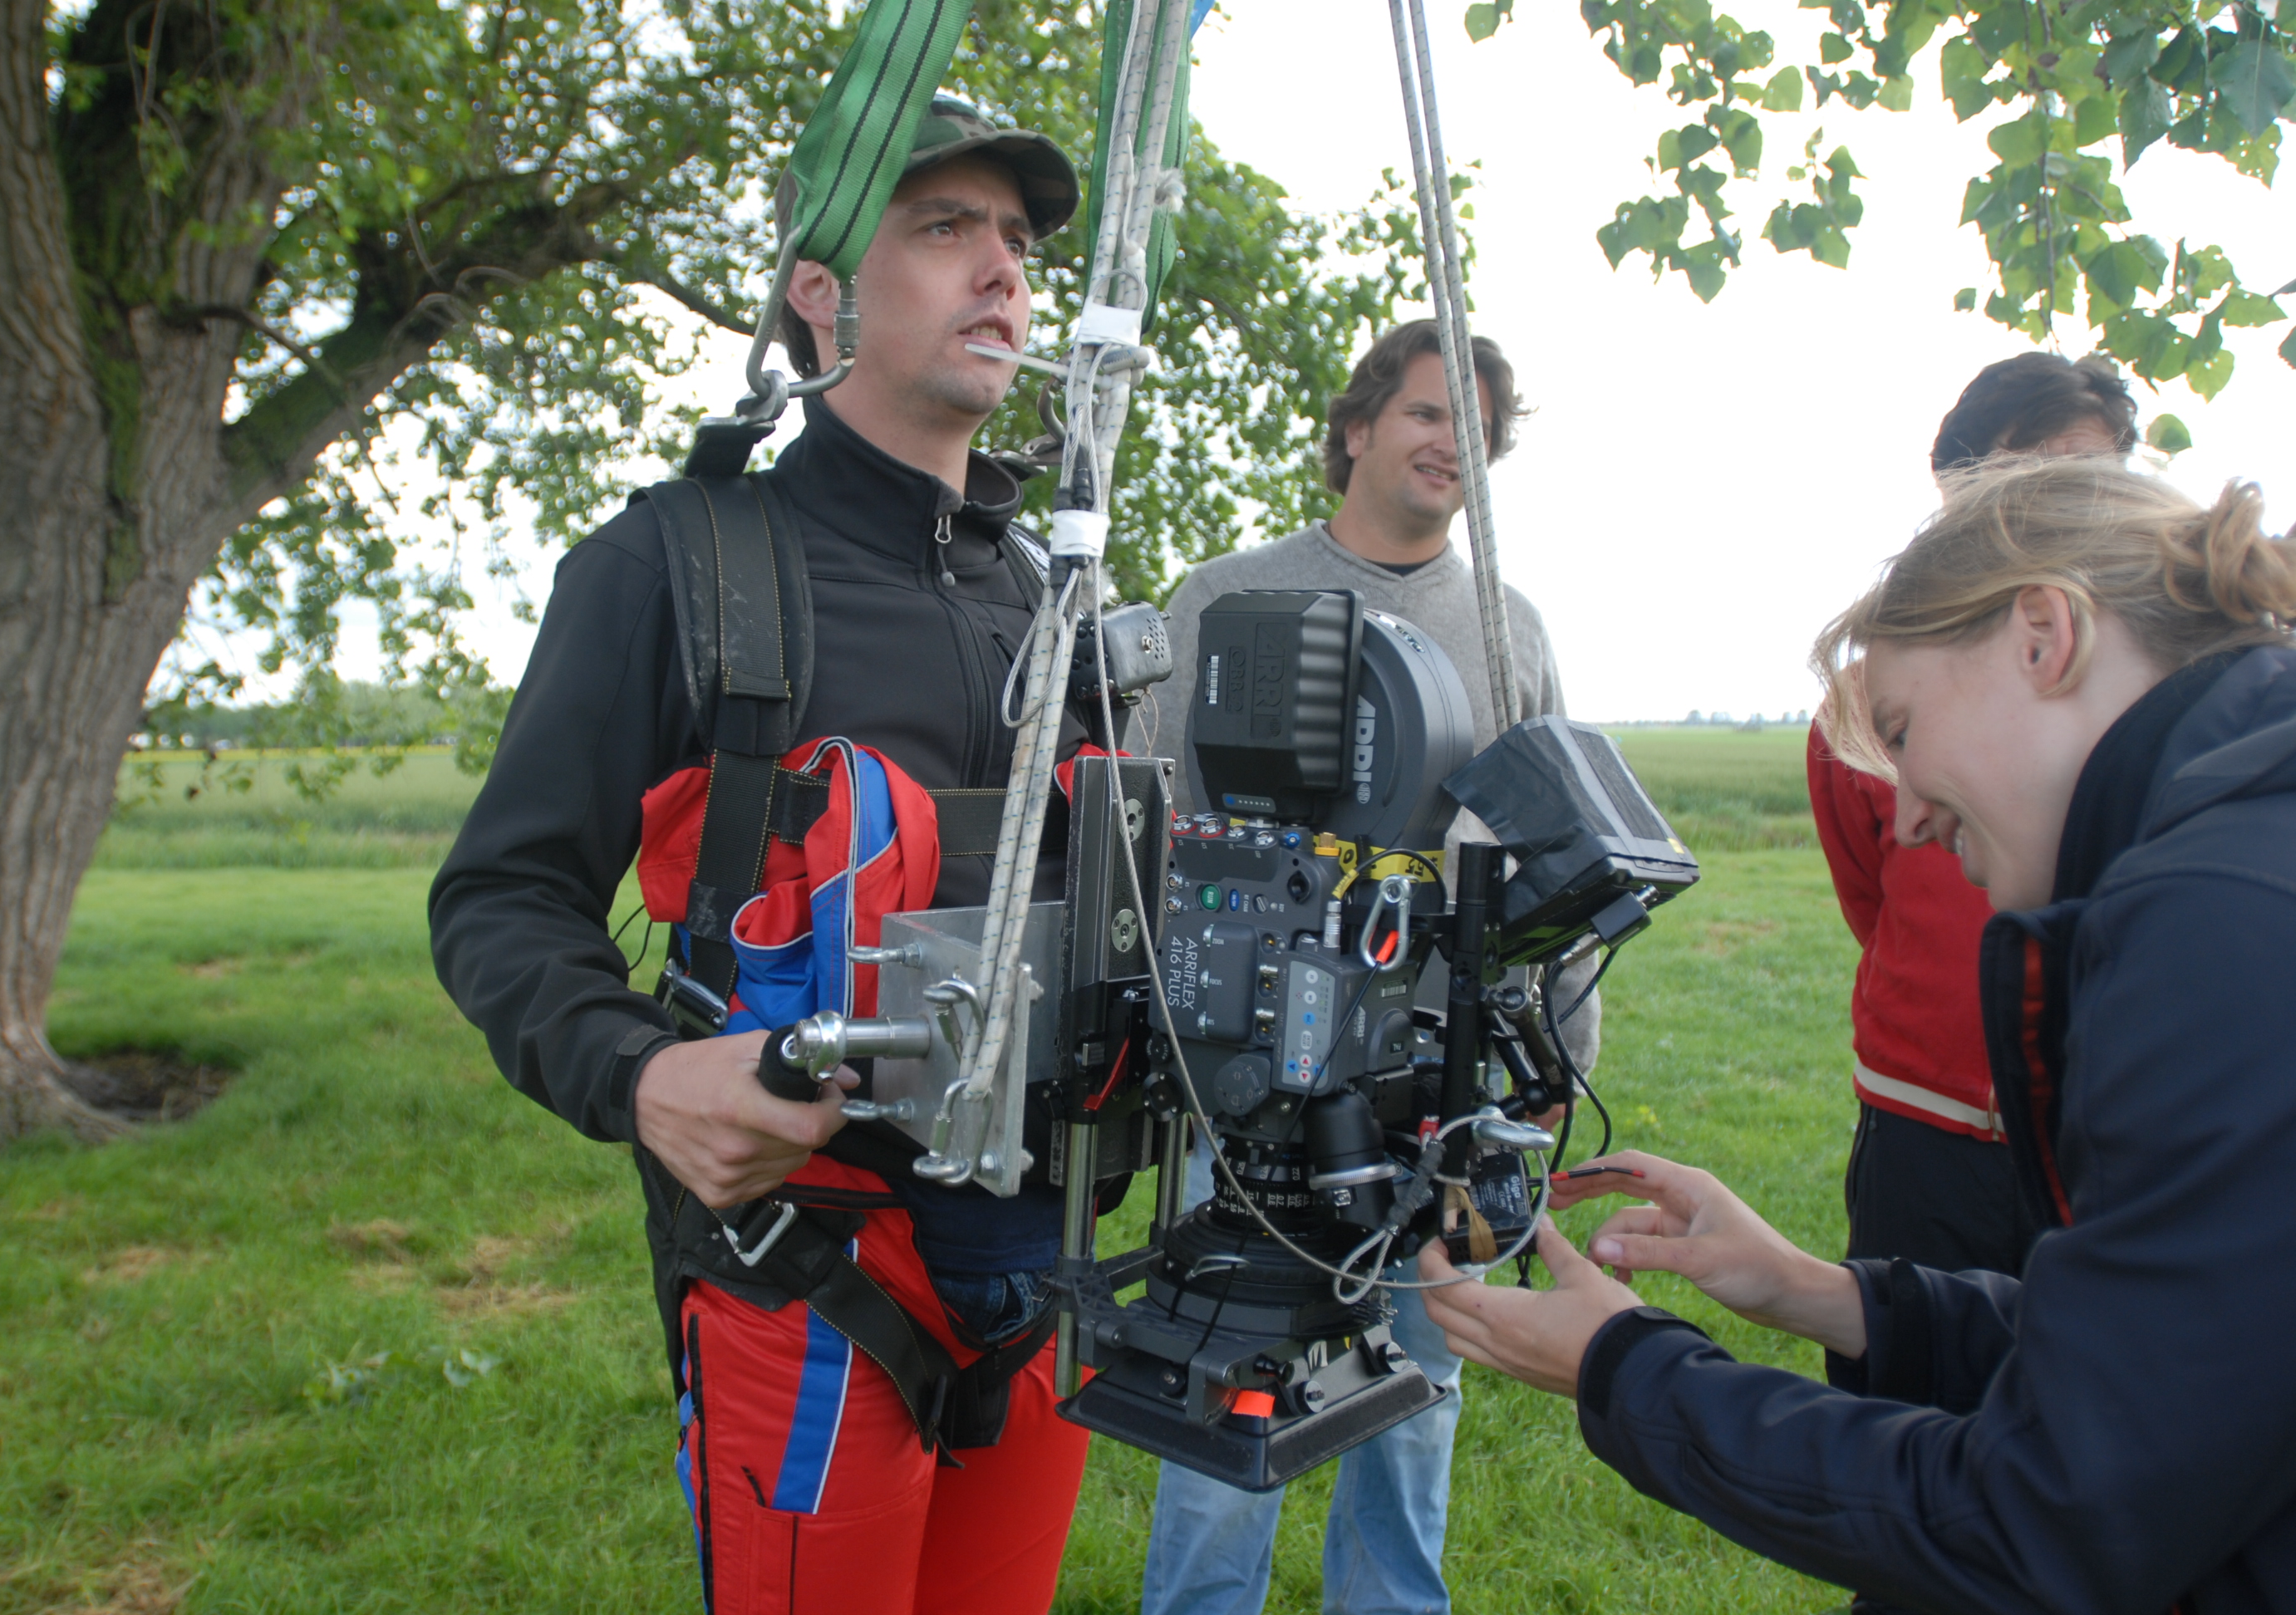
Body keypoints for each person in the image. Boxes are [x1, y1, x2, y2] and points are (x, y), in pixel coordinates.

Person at [429, 97, 1103, 1615]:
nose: (999, 268)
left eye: (1015, 240)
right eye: (942, 228)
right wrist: (638, 1072)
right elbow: (501, 896)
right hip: (809, 1265)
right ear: (820, 293)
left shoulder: (1057, 602)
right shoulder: (678, 564)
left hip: (1049, 1267)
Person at [1421, 455, 2296, 1613]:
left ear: (2045, 635)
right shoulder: (2240, 866)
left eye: (1901, 726)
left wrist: (1621, 1368)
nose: (1912, 812)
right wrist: (1824, 1294)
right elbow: (2183, 1360)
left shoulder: (2216, 923)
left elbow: (2051, 1518)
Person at [1139, 320, 1589, 1615]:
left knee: (1418, 1388)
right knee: (1234, 1370)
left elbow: (1553, 858)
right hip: (1252, 1069)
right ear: (1357, 428)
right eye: (1429, 414)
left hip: (1443, 1073)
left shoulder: (1508, 628)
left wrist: (1560, 1056)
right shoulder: (1226, 600)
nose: (1458, 445)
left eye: (1479, 429)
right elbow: (1152, 835)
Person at [1813, 352, 2139, 1288]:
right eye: (2037, 474)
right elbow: (1871, 898)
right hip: (1922, 1125)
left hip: (2099, 1124)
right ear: (1959, 495)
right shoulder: (1866, 698)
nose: (2072, 507)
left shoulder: (2162, 702)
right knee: (1906, 1372)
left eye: (2094, 474)